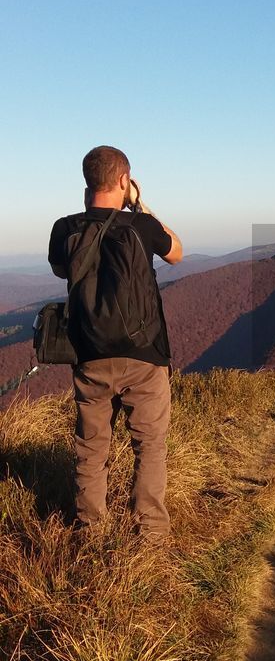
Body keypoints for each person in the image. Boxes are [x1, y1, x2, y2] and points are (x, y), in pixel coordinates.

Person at [48, 145, 183, 540]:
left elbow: (62, 269)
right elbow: (175, 252)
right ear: (125, 181)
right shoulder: (139, 226)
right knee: (150, 446)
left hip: (90, 354)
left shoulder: (64, 229)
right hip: (144, 355)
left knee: (91, 447)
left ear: (87, 181)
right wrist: (141, 206)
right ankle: (151, 536)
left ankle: (90, 531)